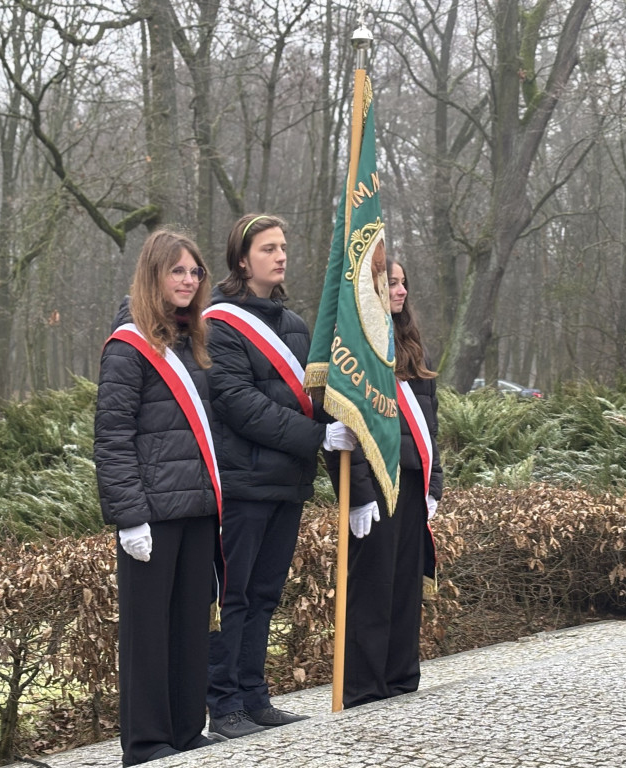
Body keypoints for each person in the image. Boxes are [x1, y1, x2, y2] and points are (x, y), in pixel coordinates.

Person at [203, 213, 356, 739]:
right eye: (268, 248)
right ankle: (224, 706)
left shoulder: (295, 325)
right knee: (234, 597)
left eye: (283, 246)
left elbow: (311, 397)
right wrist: (317, 437)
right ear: (242, 260)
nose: (281, 255)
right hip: (242, 484)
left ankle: (255, 697)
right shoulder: (219, 324)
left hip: (288, 483)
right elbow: (238, 403)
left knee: (266, 596)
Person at [94, 230, 221, 766]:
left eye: (194, 272)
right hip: (151, 514)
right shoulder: (129, 347)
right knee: (147, 633)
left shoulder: (194, 341)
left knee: (191, 626)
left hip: (197, 509)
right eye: (177, 271)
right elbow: (113, 438)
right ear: (154, 276)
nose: (188, 281)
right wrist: (129, 518)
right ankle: (147, 743)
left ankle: (187, 732)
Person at [327, 258, 442, 708]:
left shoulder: (414, 347)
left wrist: (434, 485)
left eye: (403, 283)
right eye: (391, 283)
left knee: (405, 585)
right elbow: (346, 428)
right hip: (375, 480)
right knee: (372, 585)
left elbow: (431, 424)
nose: (401, 290)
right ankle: (364, 688)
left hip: (413, 479)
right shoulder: (354, 350)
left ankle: (400, 680)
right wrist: (357, 494)